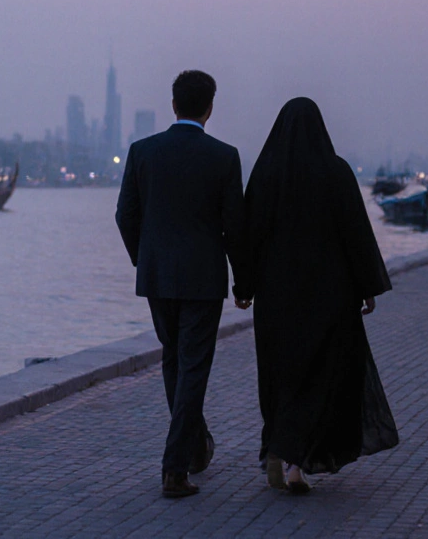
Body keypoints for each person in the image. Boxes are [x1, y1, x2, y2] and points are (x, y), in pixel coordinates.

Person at [234, 97, 398, 494]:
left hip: (277, 298)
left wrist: (244, 287)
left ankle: (279, 446)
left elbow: (247, 236)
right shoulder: (335, 171)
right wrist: (368, 287)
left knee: (282, 375)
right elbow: (357, 233)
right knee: (324, 377)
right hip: (330, 295)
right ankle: (296, 464)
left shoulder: (266, 172)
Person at [116, 70, 245, 499]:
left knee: (174, 360)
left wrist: (145, 259)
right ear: (210, 108)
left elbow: (125, 215)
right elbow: (235, 227)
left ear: (174, 105)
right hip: (204, 279)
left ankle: (196, 448)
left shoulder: (143, 152)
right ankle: (175, 468)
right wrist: (244, 281)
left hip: (158, 277)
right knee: (192, 366)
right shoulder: (224, 157)